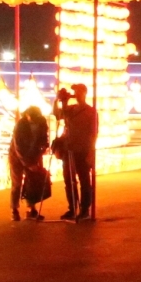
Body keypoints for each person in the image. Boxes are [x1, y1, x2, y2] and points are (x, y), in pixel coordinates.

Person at [54, 83, 99, 221]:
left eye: (79, 91)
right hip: (69, 149)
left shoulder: (91, 111)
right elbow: (57, 115)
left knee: (84, 179)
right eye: (75, 91)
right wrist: (59, 100)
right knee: (69, 180)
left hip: (83, 149)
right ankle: (72, 208)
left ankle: (85, 209)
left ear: (85, 93)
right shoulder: (71, 109)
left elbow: (94, 133)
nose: (76, 94)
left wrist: (91, 151)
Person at [10, 106, 51, 221]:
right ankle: (14, 209)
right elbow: (18, 147)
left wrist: (43, 148)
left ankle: (31, 209)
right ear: (27, 115)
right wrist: (27, 164)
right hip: (17, 156)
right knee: (17, 182)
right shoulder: (20, 125)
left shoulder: (41, 122)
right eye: (31, 118)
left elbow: (44, 138)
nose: (33, 120)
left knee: (32, 182)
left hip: (33, 154)